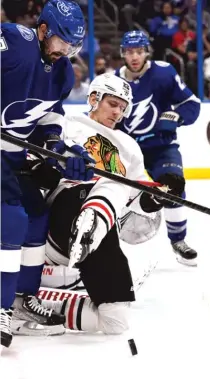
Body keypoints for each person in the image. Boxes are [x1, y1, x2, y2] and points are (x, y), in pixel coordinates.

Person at [36, 73, 167, 334]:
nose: (118, 112)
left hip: (101, 233)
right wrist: (56, 166)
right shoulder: (67, 125)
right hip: (60, 217)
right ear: (94, 99)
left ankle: (38, 303)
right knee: (114, 182)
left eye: (123, 107)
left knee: (115, 322)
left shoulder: (130, 147)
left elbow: (135, 219)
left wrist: (153, 200)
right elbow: (37, 166)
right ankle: (90, 221)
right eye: (113, 104)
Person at [0, 0, 95, 348]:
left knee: (37, 215)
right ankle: (1, 305)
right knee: (11, 217)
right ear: (42, 31)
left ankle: (23, 301)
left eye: (73, 45)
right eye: (61, 42)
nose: (66, 51)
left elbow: (48, 116)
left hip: (10, 159)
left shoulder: (62, 72)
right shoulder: (14, 43)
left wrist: (57, 147)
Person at [114, 30, 201, 267]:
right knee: (112, 195)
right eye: (130, 52)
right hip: (128, 152)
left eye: (139, 51)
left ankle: (178, 241)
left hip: (162, 147)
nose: (134, 56)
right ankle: (107, 249)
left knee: (173, 186)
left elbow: (192, 104)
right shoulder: (114, 81)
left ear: (147, 52)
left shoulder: (163, 73)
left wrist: (175, 116)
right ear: (123, 53)